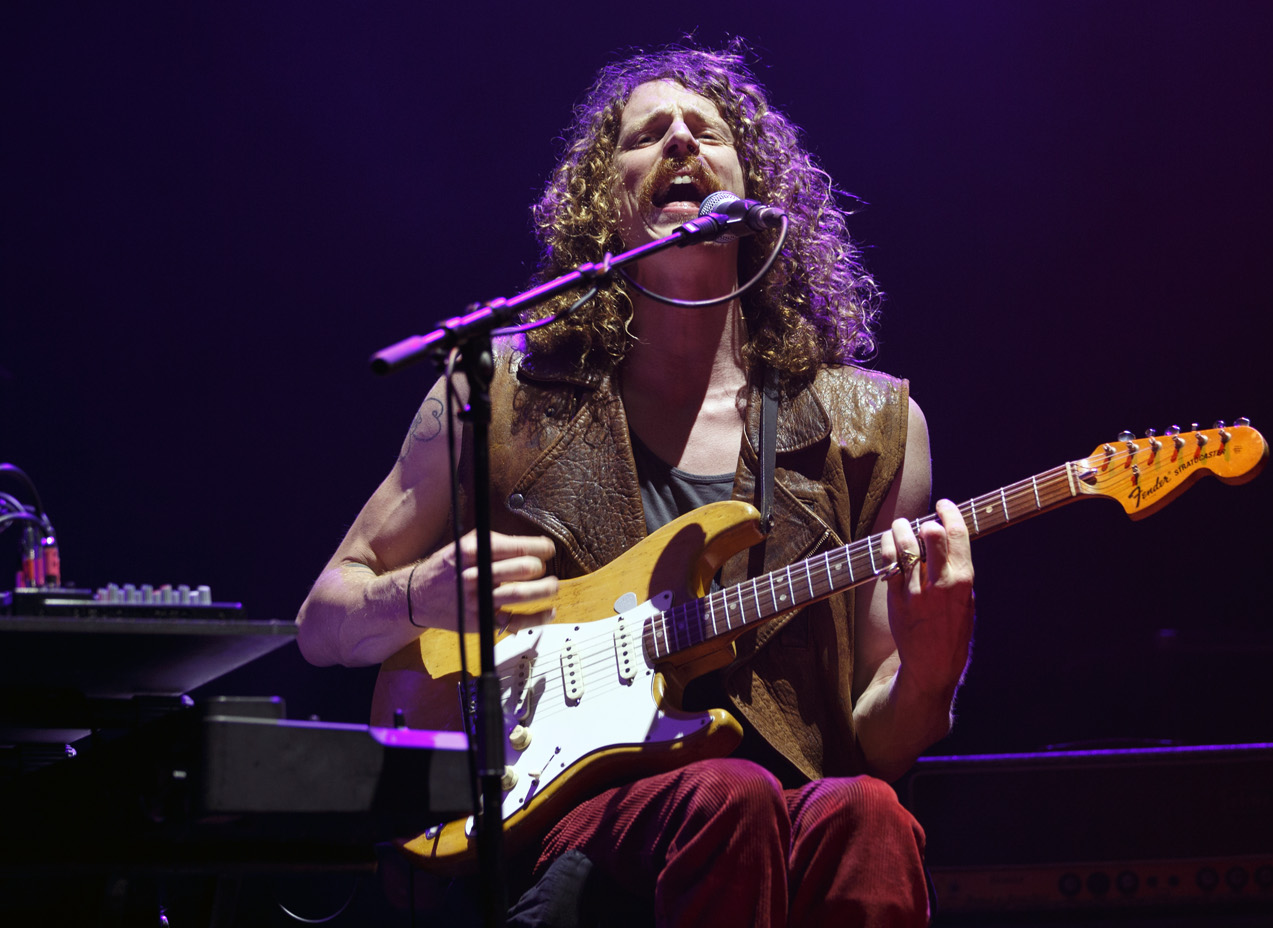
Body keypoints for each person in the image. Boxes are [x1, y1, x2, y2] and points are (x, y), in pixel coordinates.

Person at [297, 43, 976, 928]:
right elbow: (323, 622)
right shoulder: (497, 396)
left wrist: (931, 674)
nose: (683, 144)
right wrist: (419, 594)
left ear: (757, 190)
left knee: (872, 816)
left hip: (784, 811)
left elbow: (882, 744)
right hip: (565, 823)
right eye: (646, 135)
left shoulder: (874, 430)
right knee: (725, 795)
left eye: (709, 131)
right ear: (602, 205)